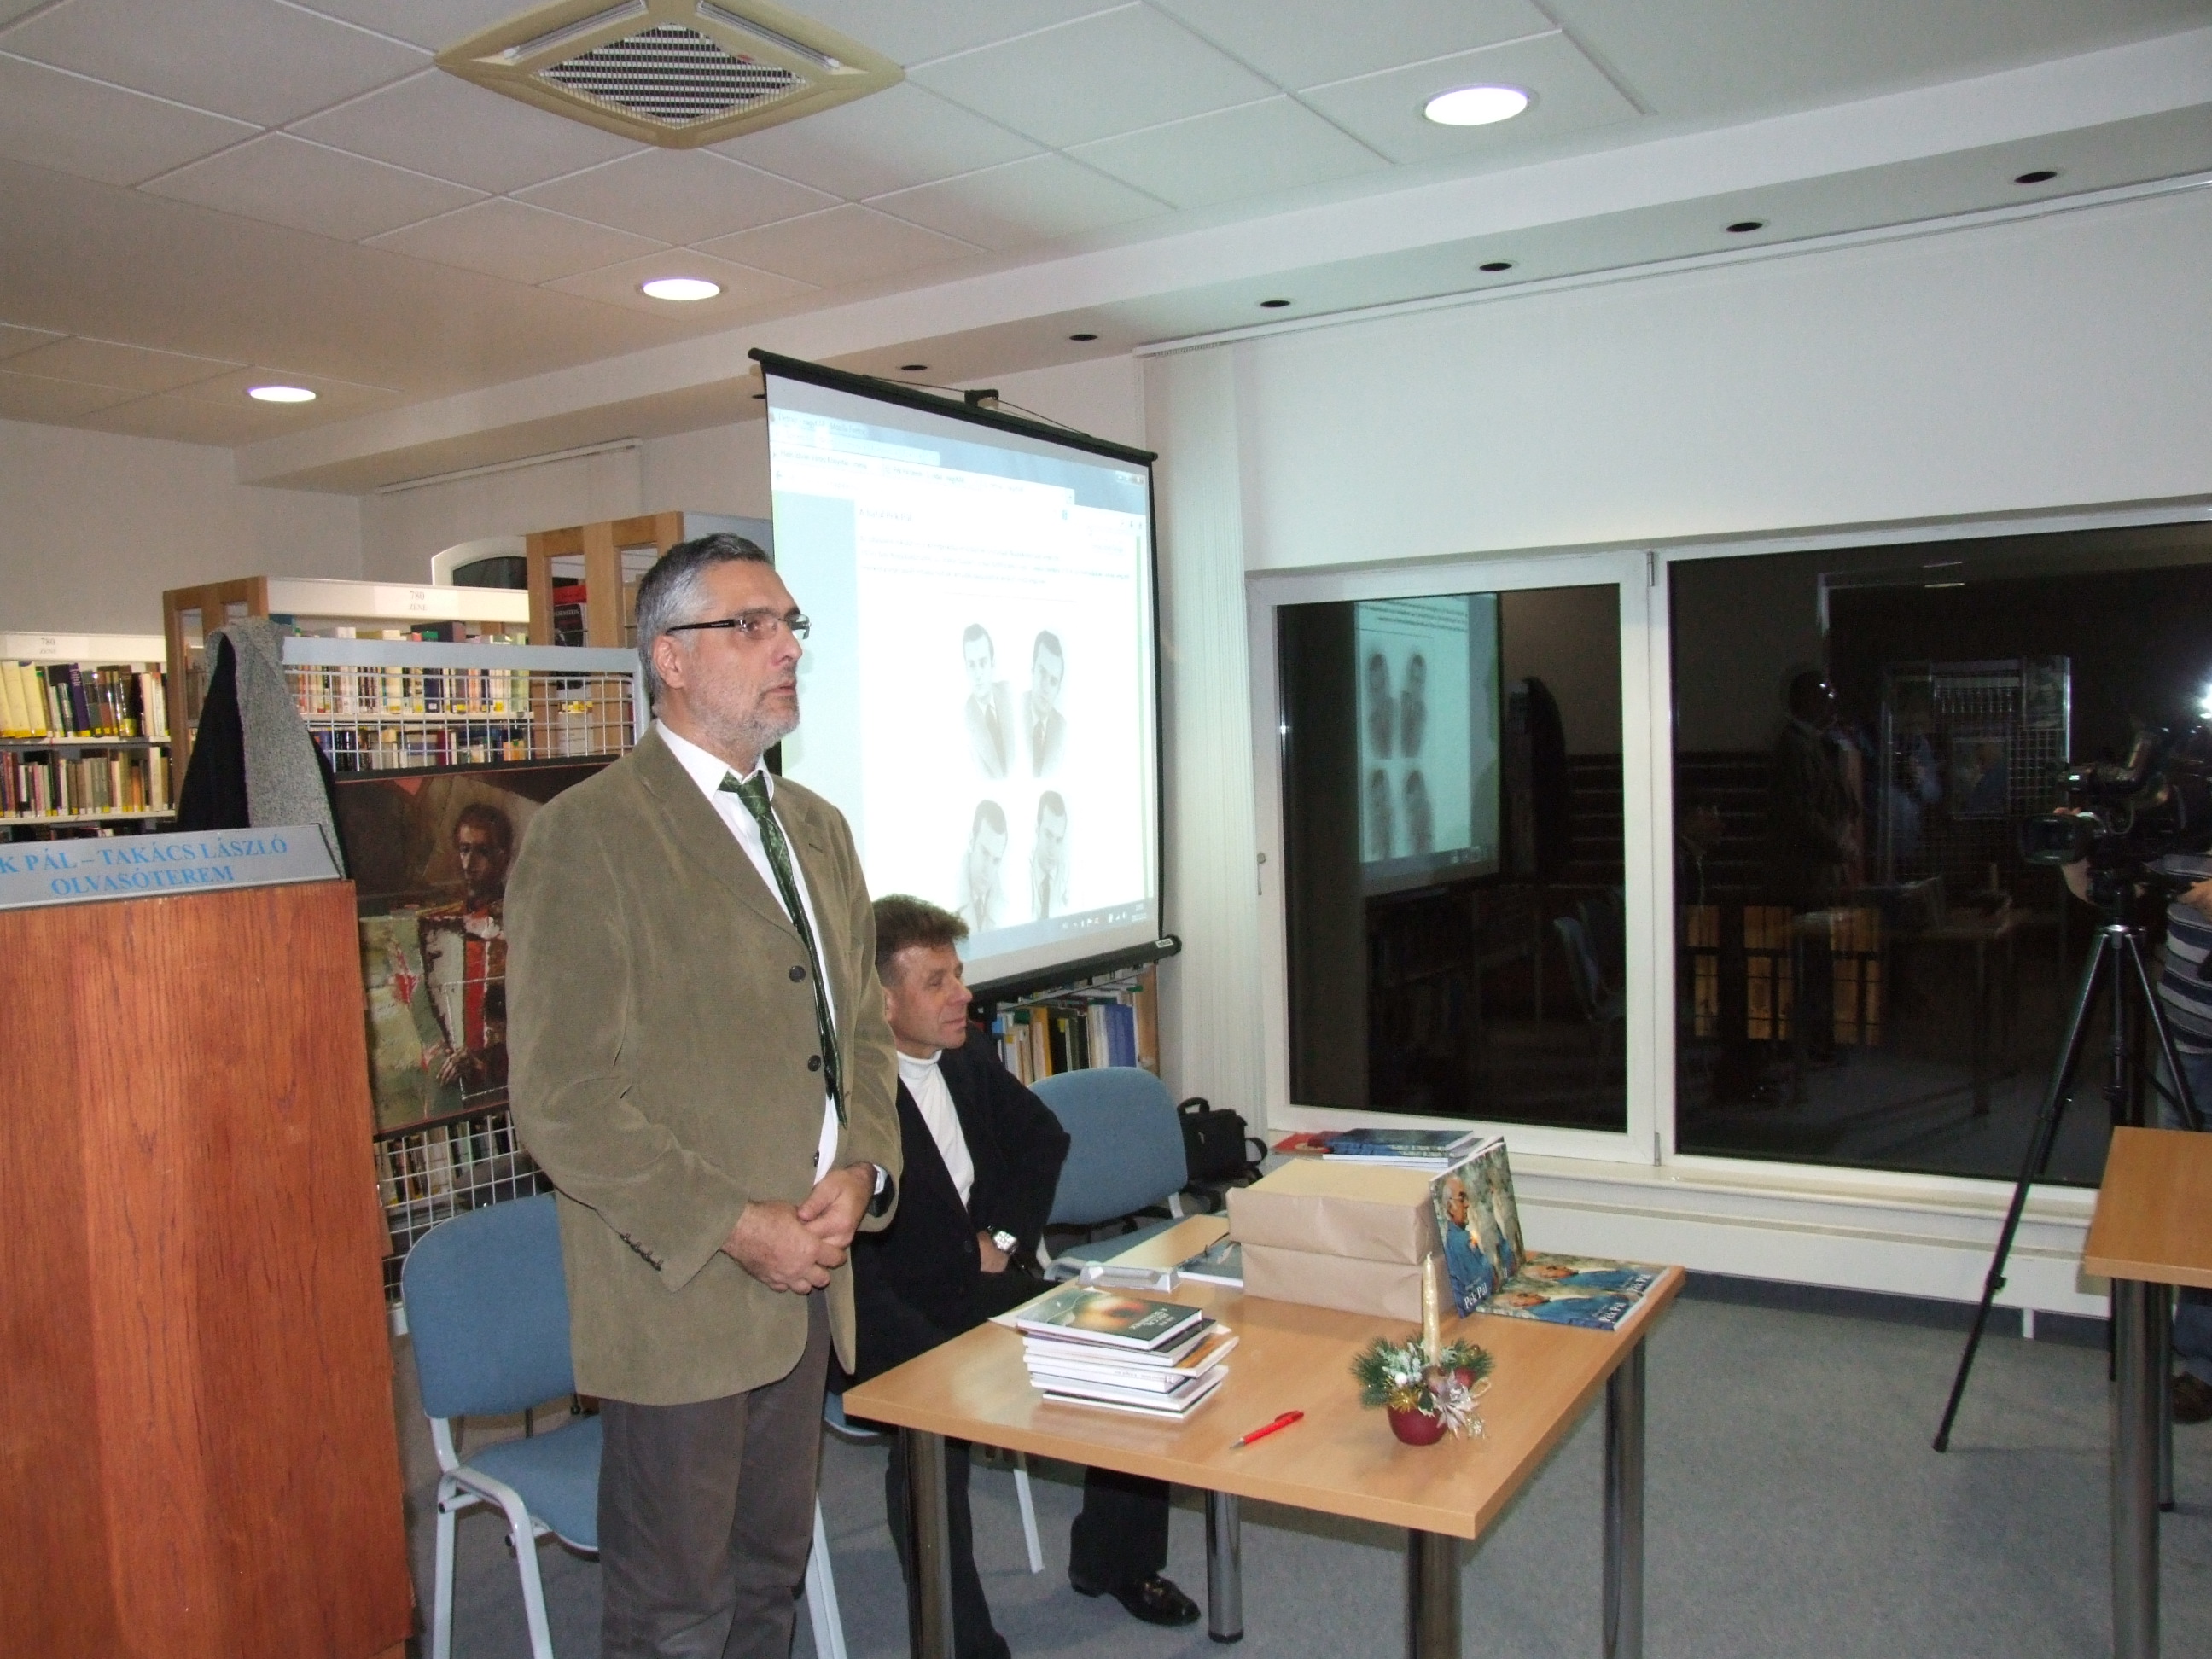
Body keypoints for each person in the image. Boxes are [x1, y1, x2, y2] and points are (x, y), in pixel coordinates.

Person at [506, 533, 903, 1659]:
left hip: (810, 1280)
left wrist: (863, 1167)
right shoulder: (589, 837)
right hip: (680, 1292)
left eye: (791, 625)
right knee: (675, 1611)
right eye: (751, 625)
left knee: (770, 1579)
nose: (787, 648)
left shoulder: (815, 827)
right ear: (670, 658)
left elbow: (862, 1035)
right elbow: (564, 1098)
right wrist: (738, 1227)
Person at [849, 896, 1196, 1656]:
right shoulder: (847, 1095)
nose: (962, 994)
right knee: (932, 1436)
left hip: (977, 1284)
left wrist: (1004, 1237)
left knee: (1126, 1360)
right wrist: (935, 1354)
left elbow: (1042, 1137)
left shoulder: (964, 1054)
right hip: (886, 1312)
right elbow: (853, 1265)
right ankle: (960, 1641)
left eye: (958, 974)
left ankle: (1114, 1560)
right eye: (937, 981)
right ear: (881, 1001)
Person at [418, 800, 515, 1105]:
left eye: (481, 851)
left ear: (502, 857)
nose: (469, 863)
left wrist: (481, 1062)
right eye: (464, 850)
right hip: (454, 1087)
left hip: (505, 1087)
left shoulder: (517, 923)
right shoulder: (441, 926)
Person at [962, 625, 1014, 779]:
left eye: (983, 663)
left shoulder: (1012, 695)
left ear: (993, 663)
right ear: (966, 668)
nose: (977, 674)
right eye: (972, 665)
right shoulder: (963, 722)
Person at [959, 800, 1009, 931]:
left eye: (996, 860)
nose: (988, 869)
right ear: (972, 842)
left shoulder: (1007, 909)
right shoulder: (944, 895)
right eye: (985, 853)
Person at [1023, 632, 1068, 776]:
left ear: (1058, 690)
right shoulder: (1010, 712)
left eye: (1053, 681)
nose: (1046, 687)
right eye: (1042, 672)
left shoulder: (1062, 729)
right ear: (1033, 670)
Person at [1030, 791, 1069, 919]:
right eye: (1048, 835)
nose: (1052, 850)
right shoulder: (1021, 871)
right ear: (1037, 830)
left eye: (1058, 840)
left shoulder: (1068, 873)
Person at [1364, 651, 1394, 758]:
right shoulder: (1372, 723)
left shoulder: (1400, 713)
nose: (1380, 694)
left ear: (1388, 681)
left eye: (1383, 685)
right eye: (1375, 689)